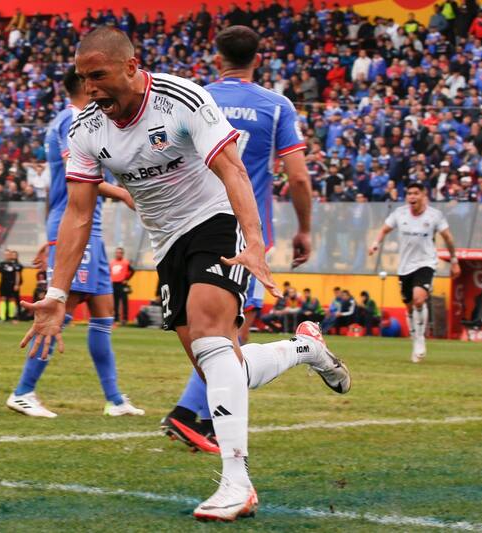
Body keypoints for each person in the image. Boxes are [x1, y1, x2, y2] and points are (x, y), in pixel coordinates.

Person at [20, 27, 350, 522]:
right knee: (220, 367)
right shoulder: (85, 128)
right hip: (167, 242)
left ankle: (236, 485)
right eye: (84, 79)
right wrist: (57, 292)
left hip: (217, 221)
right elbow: (78, 214)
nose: (90, 89)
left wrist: (255, 240)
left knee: (211, 337)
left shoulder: (182, 100)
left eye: (99, 75)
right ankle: (305, 349)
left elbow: (234, 171)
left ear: (131, 67)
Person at [161, 24, 315, 454]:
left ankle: (206, 421)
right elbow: (298, 177)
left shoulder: (194, 98)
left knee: (218, 325)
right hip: (240, 230)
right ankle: (189, 414)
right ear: (258, 60)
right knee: (231, 329)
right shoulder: (276, 106)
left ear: (217, 60)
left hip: (187, 226)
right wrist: (303, 229)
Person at [7, 66, 144, 418]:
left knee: (103, 313)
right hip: (77, 225)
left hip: (84, 227)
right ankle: (23, 391)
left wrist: (48, 235)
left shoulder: (70, 121)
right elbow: (78, 176)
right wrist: (124, 194)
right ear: (87, 86)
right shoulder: (73, 121)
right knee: (61, 310)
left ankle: (114, 399)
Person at [369, 182, 460, 362]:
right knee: (409, 306)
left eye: (415, 193)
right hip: (404, 267)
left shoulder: (435, 216)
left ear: (423, 195)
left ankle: (420, 340)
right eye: (409, 193)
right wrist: (375, 243)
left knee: (419, 299)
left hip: (426, 263)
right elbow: (385, 229)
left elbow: (448, 238)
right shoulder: (399, 213)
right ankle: (414, 337)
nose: (412, 197)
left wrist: (454, 261)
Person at [0, 249, 22, 322]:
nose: (7, 256)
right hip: (3, 284)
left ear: (10, 255)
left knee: (11, 299)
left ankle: (11, 316)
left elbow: (17, 275)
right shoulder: (1, 264)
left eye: (8, 254)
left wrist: (16, 284)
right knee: (2, 299)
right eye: (5, 254)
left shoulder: (15, 264)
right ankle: (2, 317)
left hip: (12, 284)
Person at [110, 247, 134, 325]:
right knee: (115, 302)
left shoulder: (125, 263)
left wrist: (127, 279)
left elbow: (132, 271)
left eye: (120, 253)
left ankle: (125, 319)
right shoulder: (112, 262)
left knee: (124, 302)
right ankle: (116, 318)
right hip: (114, 284)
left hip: (122, 284)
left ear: (122, 254)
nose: (118, 254)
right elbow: (109, 272)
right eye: (117, 252)